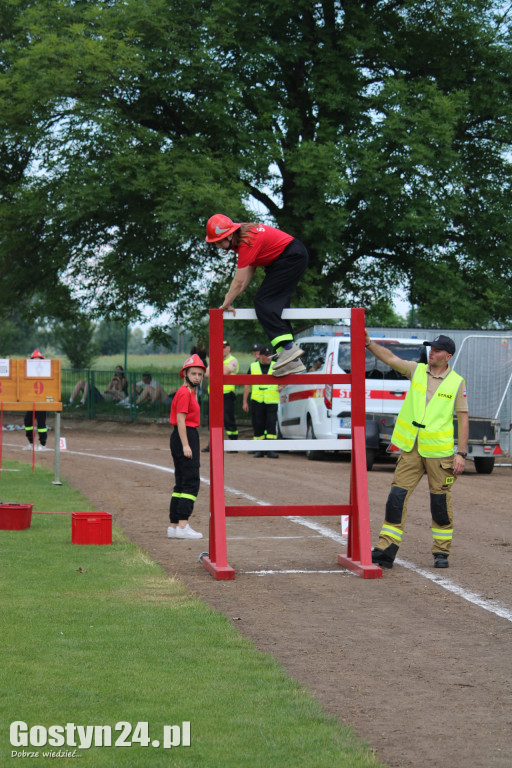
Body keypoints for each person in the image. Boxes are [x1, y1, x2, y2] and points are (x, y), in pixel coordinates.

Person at [365, 332, 469, 570]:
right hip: (411, 449)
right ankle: (385, 550)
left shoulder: (457, 382)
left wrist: (461, 454)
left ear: (448, 356)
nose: (431, 352)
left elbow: (463, 419)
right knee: (396, 498)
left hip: (440, 455)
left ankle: (441, 552)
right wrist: (368, 344)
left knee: (440, 503)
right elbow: (391, 358)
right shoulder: (417, 370)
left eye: (436, 350)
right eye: (430, 349)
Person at [205, 214, 309, 377]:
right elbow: (249, 272)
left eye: (219, 241)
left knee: (263, 301)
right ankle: (290, 359)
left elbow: (238, 281)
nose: (218, 246)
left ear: (230, 234)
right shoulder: (244, 237)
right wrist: (234, 296)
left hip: (291, 256)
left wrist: (226, 302)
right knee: (273, 305)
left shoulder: (247, 242)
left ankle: (288, 350)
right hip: (289, 257)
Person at [167, 353, 206, 540]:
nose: (197, 377)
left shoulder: (190, 391)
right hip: (186, 435)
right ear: (185, 374)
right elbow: (181, 420)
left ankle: (174, 525)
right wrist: (186, 445)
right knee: (191, 480)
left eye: (200, 374)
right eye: (194, 373)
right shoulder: (184, 392)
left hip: (183, 435)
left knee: (181, 481)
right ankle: (183, 524)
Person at [242, 346, 280, 458]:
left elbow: (285, 378)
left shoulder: (275, 365)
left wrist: (282, 386)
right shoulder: (253, 366)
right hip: (257, 400)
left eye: (270, 355)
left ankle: (270, 450)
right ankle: (259, 449)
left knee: (271, 425)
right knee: (258, 424)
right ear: (261, 356)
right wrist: (244, 401)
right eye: (266, 355)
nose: (268, 357)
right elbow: (247, 384)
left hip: (272, 400)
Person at [201, 340, 239, 452]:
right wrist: (217, 363)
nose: (222, 349)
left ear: (229, 348)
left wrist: (217, 362)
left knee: (228, 420)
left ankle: (233, 444)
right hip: (213, 394)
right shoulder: (213, 359)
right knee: (212, 420)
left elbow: (225, 371)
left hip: (227, 394)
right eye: (220, 347)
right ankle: (212, 444)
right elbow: (207, 374)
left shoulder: (233, 360)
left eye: (224, 347)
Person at [23, 350, 49, 451]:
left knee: (41, 423)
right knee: (27, 421)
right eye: (34, 360)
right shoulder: (28, 372)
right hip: (31, 400)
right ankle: (31, 443)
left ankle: (43, 444)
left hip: (41, 401)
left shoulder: (46, 371)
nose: (36, 362)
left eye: (38, 359)